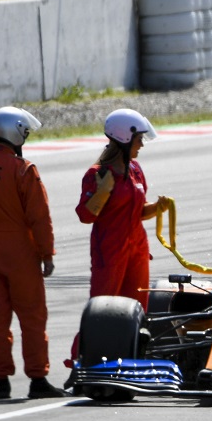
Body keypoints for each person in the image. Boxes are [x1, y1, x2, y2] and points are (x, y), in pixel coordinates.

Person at [0, 107, 64, 400]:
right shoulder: (23, 170)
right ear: (15, 131)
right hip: (20, 253)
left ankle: (1, 380)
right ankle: (37, 379)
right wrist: (47, 254)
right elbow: (39, 217)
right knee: (32, 318)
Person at [75, 109, 168, 313]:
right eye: (139, 139)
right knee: (102, 310)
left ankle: (133, 346)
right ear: (125, 138)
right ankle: (88, 346)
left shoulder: (135, 169)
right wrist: (102, 192)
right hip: (109, 252)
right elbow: (85, 216)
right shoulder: (98, 173)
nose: (141, 145)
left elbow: (138, 212)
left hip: (138, 250)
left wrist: (157, 208)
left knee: (136, 310)